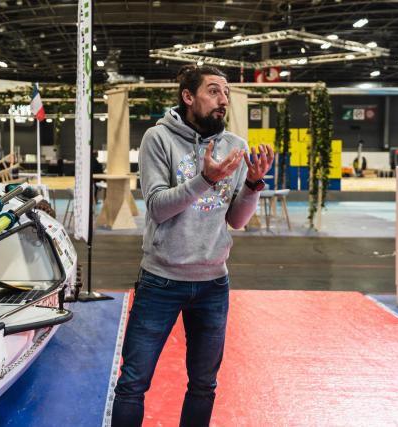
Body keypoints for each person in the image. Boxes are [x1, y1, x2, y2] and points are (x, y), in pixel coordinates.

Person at [111, 64, 273, 427]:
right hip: (161, 281)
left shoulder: (235, 145)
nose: (223, 100)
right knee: (133, 384)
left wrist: (252, 184)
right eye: (214, 91)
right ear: (188, 96)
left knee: (204, 385)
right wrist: (205, 179)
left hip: (214, 283)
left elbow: (236, 221)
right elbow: (157, 207)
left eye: (226, 93)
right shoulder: (158, 139)